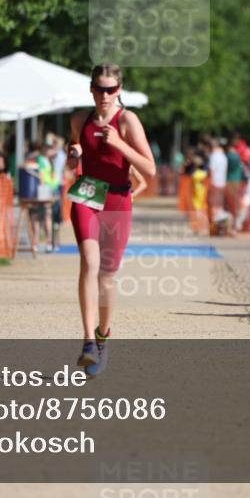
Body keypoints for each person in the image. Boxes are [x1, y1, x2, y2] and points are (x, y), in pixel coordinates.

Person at [67, 64, 156, 378]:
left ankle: (103, 336)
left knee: (106, 275)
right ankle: (88, 342)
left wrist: (119, 143)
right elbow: (75, 152)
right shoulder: (80, 119)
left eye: (111, 90)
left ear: (119, 90)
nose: (105, 96)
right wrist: (73, 154)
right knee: (89, 264)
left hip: (118, 197)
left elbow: (150, 168)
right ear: (91, 89)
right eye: (100, 89)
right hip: (89, 191)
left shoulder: (128, 120)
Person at [206, 137, 229, 232]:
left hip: (215, 183)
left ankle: (215, 228)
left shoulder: (214, 156)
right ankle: (221, 227)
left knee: (214, 206)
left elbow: (212, 170)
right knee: (219, 205)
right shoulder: (224, 156)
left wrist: (210, 183)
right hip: (222, 183)